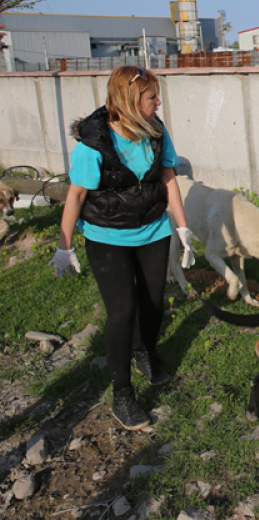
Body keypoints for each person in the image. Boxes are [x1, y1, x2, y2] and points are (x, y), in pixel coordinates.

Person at [49, 65, 196, 430]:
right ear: (131, 100)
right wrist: (64, 246)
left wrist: (182, 226)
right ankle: (123, 395)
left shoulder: (156, 132)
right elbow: (76, 195)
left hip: (153, 229)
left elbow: (168, 178)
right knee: (122, 311)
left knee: (154, 302)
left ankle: (145, 352)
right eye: (151, 97)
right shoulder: (93, 144)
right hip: (107, 236)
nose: (158, 102)